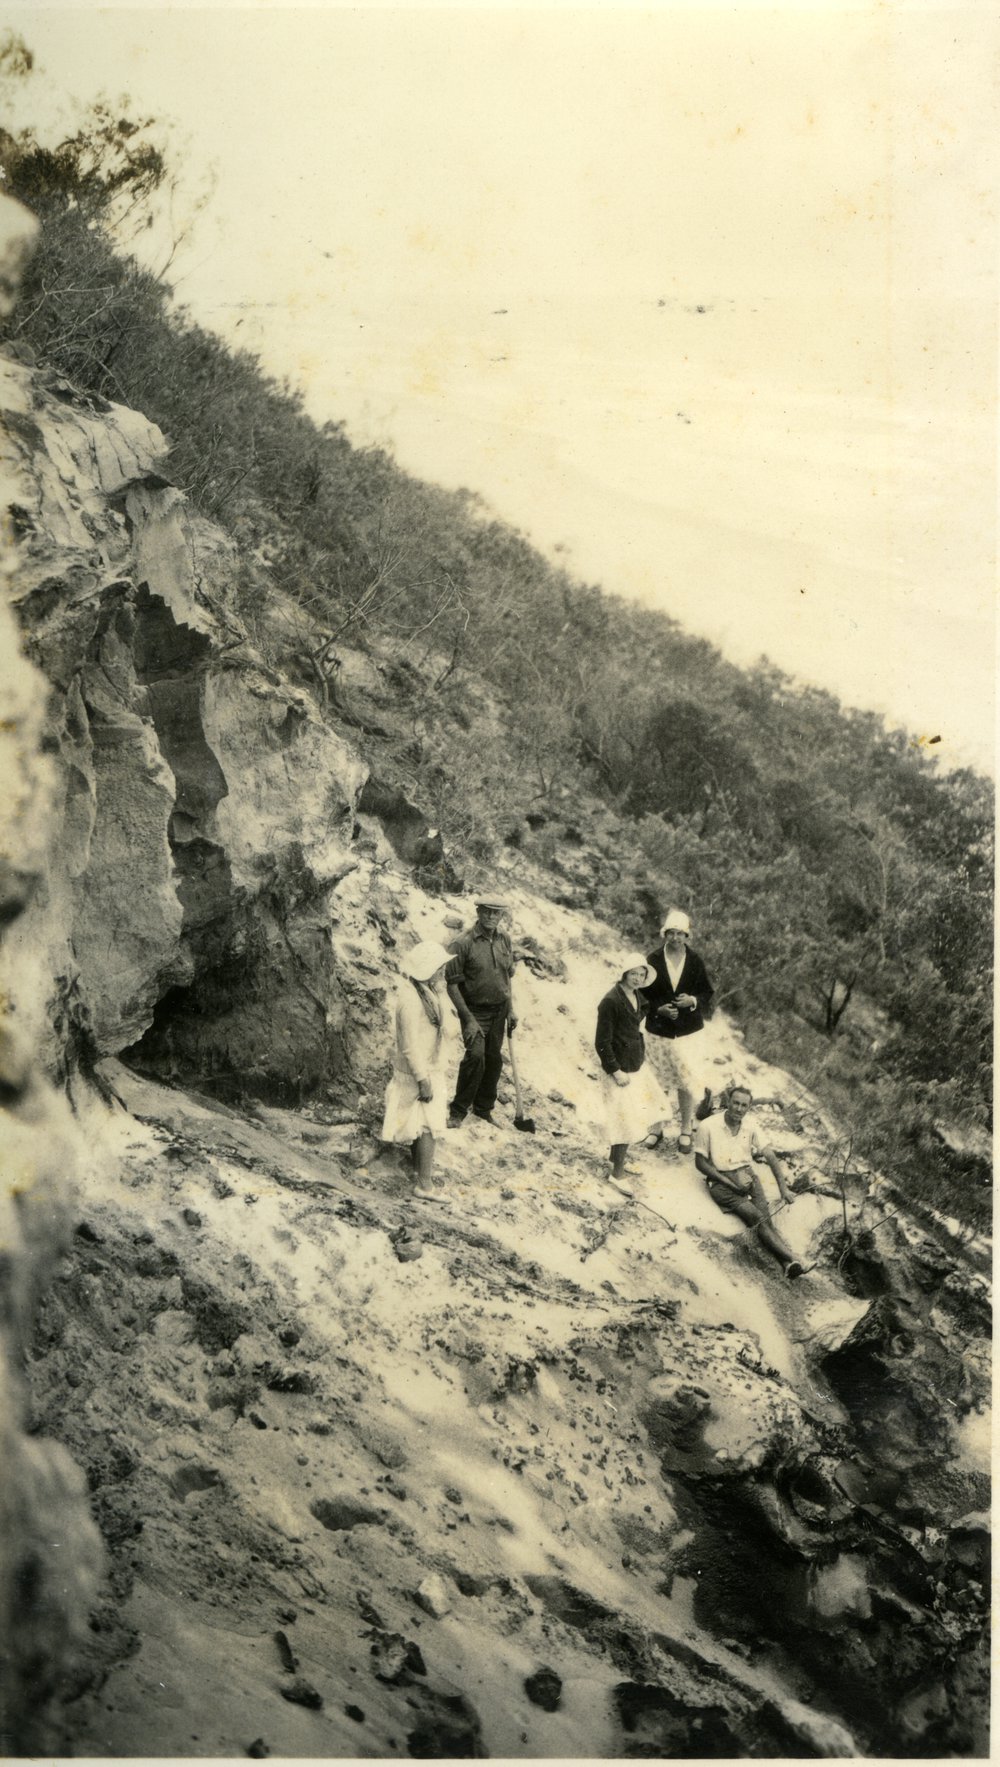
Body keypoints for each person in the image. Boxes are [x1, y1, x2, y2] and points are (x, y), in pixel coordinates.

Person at [693, 1083, 804, 1279]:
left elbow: (770, 1156)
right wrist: (728, 1183)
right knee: (755, 1217)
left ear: (749, 1108)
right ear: (728, 1102)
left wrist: (784, 1190)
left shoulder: (751, 1125)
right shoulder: (708, 1125)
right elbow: (700, 1163)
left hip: (747, 1177)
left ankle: (788, 1264)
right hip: (721, 1182)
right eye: (735, 1103)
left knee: (766, 1219)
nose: (738, 1109)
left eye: (744, 1105)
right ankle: (796, 1259)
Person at [380, 941, 456, 1185]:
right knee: (427, 1126)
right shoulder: (411, 1000)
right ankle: (425, 1184)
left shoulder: (428, 992)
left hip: (427, 1066)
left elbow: (449, 1028)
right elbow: (410, 1045)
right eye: (439, 967)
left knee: (420, 1122)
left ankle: (418, 1173)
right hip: (418, 1069)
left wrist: (443, 992)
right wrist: (422, 1078)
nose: (443, 971)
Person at [639, 907, 714, 1153]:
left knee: (685, 1080)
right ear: (665, 934)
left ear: (686, 936)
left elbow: (707, 993)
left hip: (687, 1033)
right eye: (671, 933)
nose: (675, 938)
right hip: (658, 1031)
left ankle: (684, 1129)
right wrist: (657, 1009)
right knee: (659, 1081)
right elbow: (641, 993)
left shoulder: (694, 962)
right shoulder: (652, 960)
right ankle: (656, 1129)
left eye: (680, 934)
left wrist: (691, 1001)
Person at [595, 956, 671, 1189]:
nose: (637, 978)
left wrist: (661, 1011)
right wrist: (615, 1070)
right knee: (623, 1120)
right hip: (618, 1068)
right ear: (624, 973)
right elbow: (601, 1041)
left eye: (641, 974)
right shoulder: (610, 1001)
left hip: (634, 1063)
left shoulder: (637, 997)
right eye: (633, 973)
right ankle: (616, 1174)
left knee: (634, 1114)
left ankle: (614, 1161)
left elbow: (639, 1015)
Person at [446, 895, 517, 1127]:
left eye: (496, 913)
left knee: (494, 1060)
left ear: (502, 916)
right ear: (478, 912)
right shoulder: (462, 943)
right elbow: (452, 985)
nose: (490, 916)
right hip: (474, 1011)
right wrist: (468, 1019)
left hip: (500, 1011)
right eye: (486, 911)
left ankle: (483, 1109)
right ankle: (457, 1111)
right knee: (475, 1057)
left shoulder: (505, 939)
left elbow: (507, 977)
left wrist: (511, 1009)